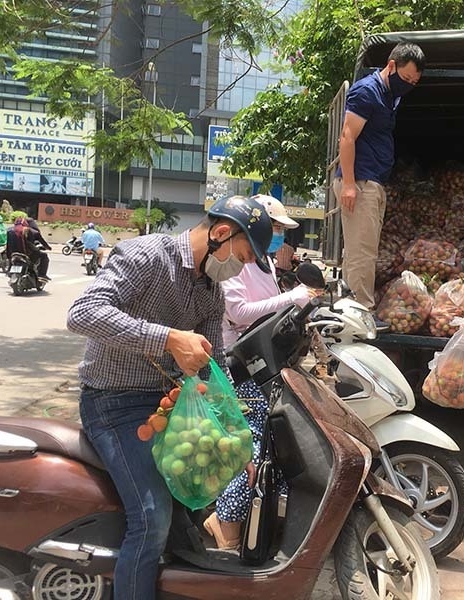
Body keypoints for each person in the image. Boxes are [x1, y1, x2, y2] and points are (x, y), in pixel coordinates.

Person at [66, 195, 272, 600]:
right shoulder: (145, 255)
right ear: (221, 233)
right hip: (112, 404)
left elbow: (215, 367)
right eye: (244, 256)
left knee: (199, 489)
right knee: (152, 517)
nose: (242, 267)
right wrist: (168, 338)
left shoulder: (211, 291)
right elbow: (83, 313)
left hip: (168, 406)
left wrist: (237, 434)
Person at [202, 194, 322, 550]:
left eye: (283, 231)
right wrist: (291, 298)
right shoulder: (235, 261)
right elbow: (238, 312)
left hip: (265, 364)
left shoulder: (264, 263)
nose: (280, 237)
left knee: (276, 440)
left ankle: (259, 513)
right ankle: (224, 522)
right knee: (251, 448)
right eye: (276, 229)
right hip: (237, 368)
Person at [333, 42, 425, 311]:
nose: (408, 85)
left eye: (414, 82)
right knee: (363, 253)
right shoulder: (367, 91)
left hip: (372, 182)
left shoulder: (390, 95)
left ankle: (353, 307)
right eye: (406, 78)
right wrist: (349, 184)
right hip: (359, 182)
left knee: (359, 251)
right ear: (391, 65)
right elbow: (347, 137)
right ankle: (363, 311)